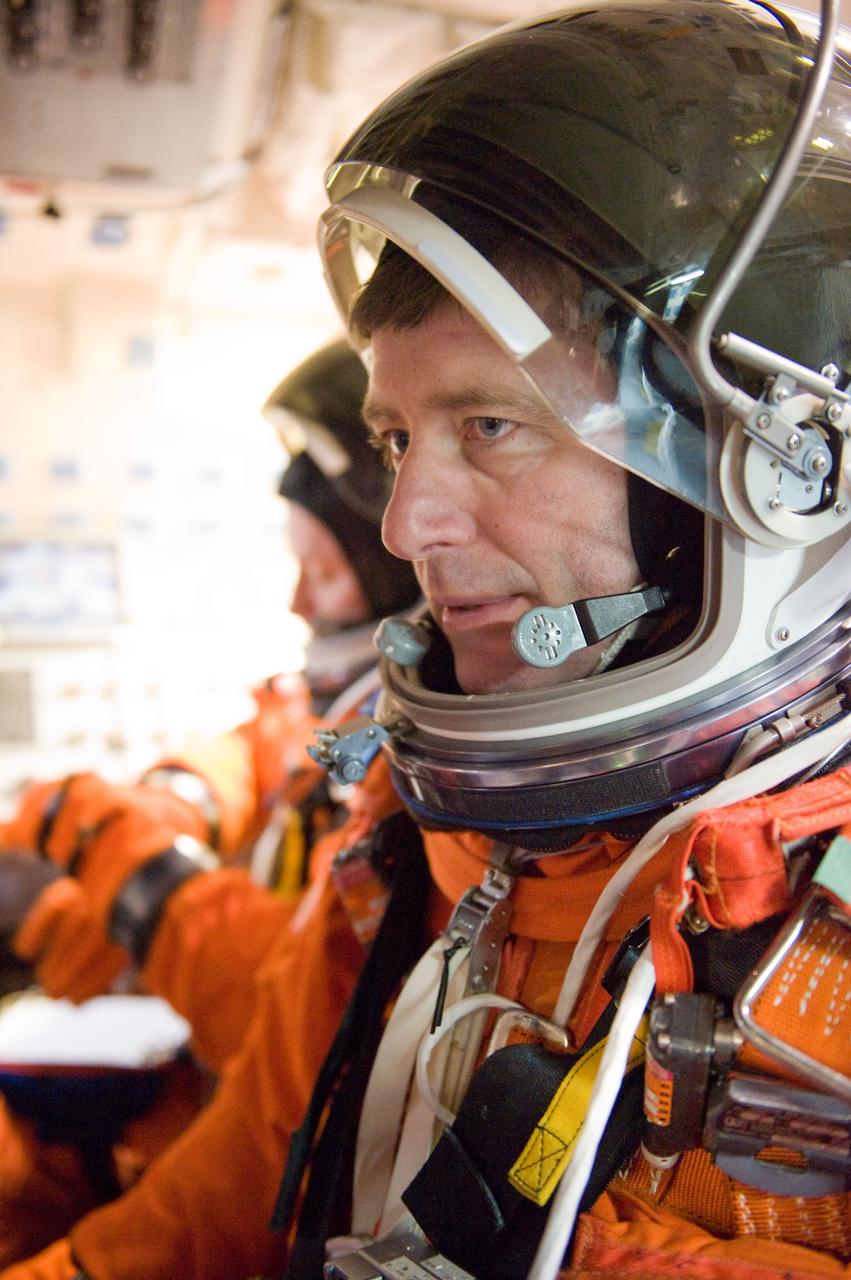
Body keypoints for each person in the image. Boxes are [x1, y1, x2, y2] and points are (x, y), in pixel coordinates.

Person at [2, 1, 850, 1277]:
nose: (406, 524)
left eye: (488, 426)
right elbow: (229, 1195)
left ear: (766, 482)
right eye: (398, 438)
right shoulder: (407, 845)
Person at [0, 339, 418, 1267]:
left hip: (266, 1167)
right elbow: (240, 757)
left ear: (393, 580)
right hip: (202, 1109)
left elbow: (283, 997)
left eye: (322, 571)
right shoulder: (321, 720)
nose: (298, 601)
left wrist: (113, 870)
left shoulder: (408, 781)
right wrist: (158, 810)